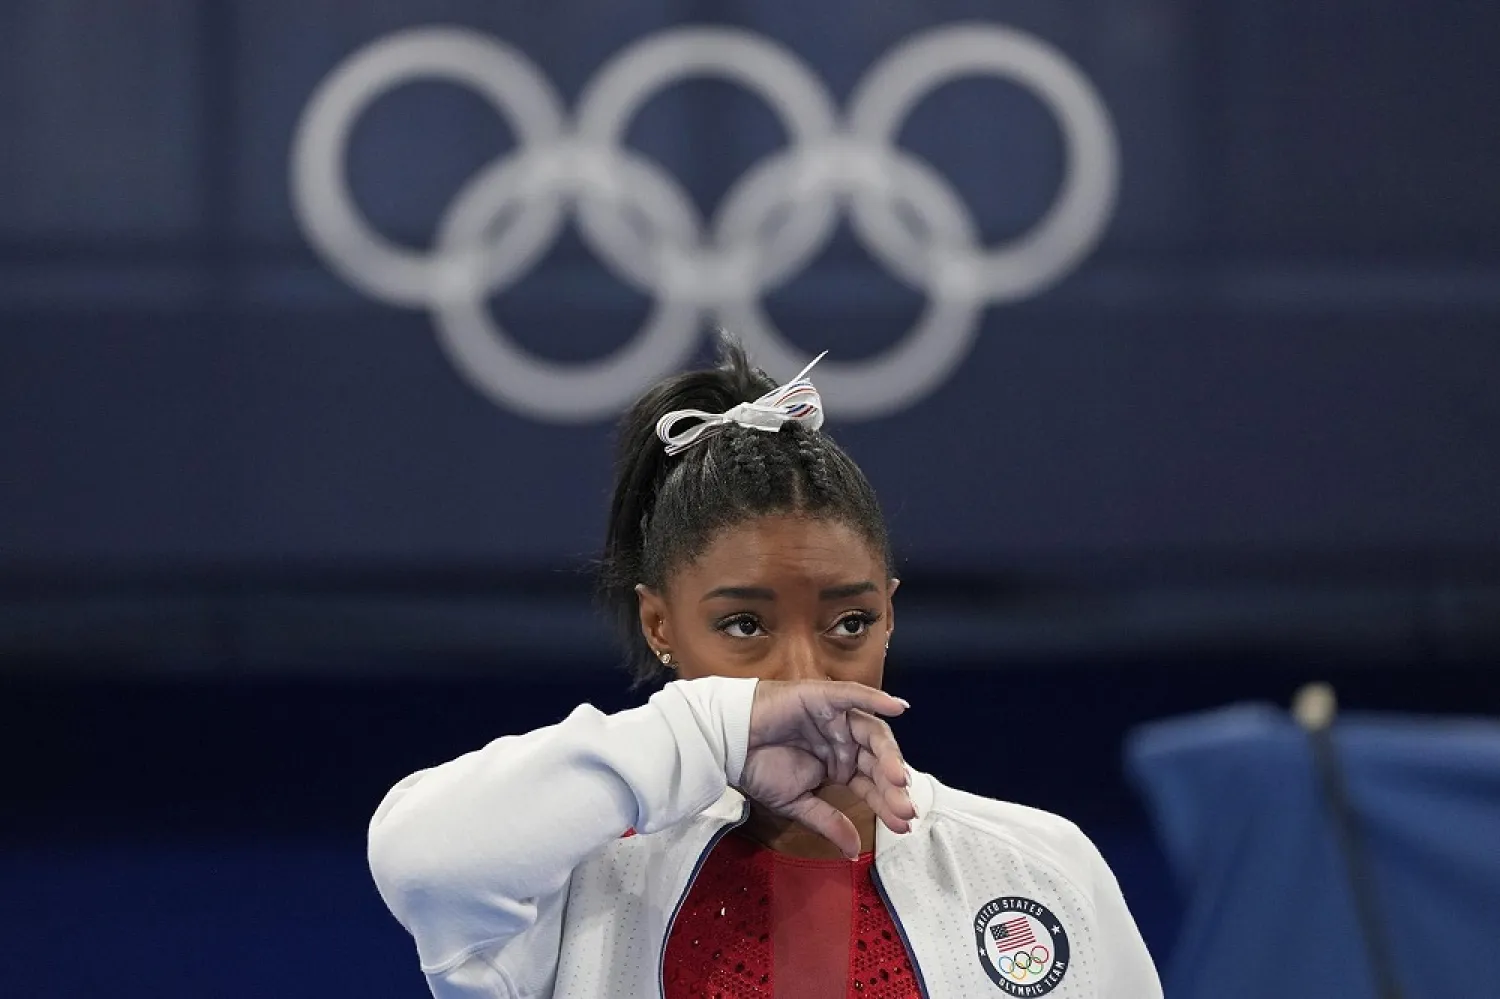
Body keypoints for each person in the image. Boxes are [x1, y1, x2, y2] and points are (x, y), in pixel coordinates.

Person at [368, 338, 1162, 998]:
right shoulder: (581, 877)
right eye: (744, 625)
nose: (804, 674)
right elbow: (418, 859)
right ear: (659, 624)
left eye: (850, 621)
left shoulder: (1040, 866)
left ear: (890, 612)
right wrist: (710, 728)